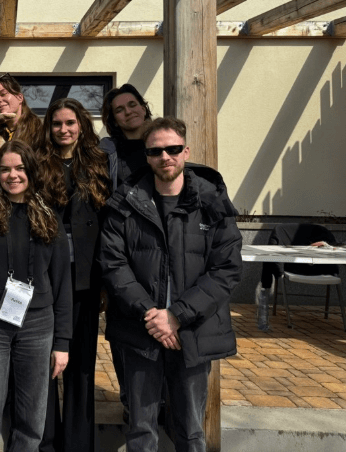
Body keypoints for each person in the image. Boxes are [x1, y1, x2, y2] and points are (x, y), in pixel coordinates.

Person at [99, 117, 242, 452]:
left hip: (193, 331)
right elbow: (112, 263)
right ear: (147, 156)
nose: (165, 156)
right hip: (140, 329)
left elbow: (226, 268)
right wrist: (152, 314)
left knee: (191, 430)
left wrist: (177, 315)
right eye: (156, 151)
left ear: (185, 151)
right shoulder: (124, 203)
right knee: (140, 430)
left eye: (173, 149)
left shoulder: (212, 202)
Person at [0, 140, 72, 451]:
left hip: (38, 324)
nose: (13, 175)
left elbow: (62, 283)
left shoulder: (49, 218)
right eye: (5, 170)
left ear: (31, 171)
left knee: (31, 421)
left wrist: (62, 342)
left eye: (20, 168)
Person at [37, 99, 111, 452]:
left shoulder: (99, 163)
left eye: (70, 122)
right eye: (57, 123)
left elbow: (108, 222)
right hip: (45, 273)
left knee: (80, 363)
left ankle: (78, 443)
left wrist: (106, 280)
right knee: (44, 359)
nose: (63, 129)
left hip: (85, 275)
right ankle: (46, 440)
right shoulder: (38, 163)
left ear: (81, 124)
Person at [100, 83, 153, 186]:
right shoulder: (107, 153)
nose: (128, 112)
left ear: (143, 109)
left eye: (132, 105)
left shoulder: (163, 144)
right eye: (119, 110)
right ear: (114, 121)